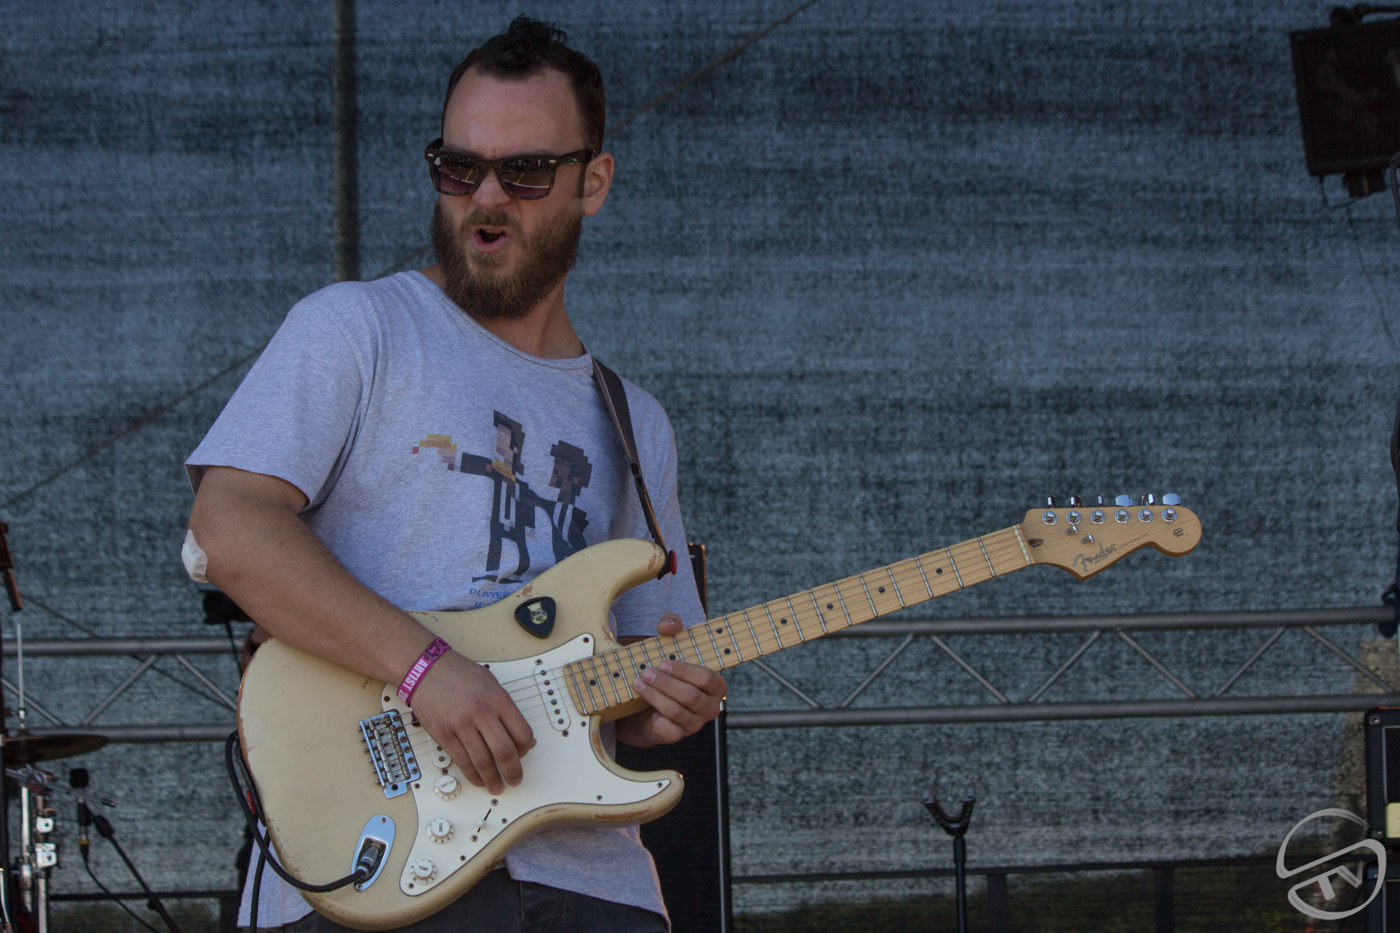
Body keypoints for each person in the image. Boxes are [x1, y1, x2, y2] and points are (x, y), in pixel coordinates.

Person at [184, 16, 725, 932]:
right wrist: (427, 669)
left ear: (593, 182)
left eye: (526, 171)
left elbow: (638, 674)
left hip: (593, 882)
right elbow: (228, 526)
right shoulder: (357, 328)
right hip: (379, 863)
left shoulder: (635, 421)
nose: (486, 198)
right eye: (459, 167)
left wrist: (669, 705)